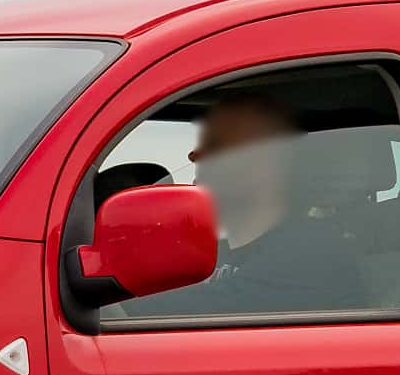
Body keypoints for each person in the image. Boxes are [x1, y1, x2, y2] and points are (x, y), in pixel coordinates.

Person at [124, 92, 369, 318]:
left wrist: (105, 302)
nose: (194, 155)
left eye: (217, 145)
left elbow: (199, 310)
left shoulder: (312, 253)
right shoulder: (221, 252)